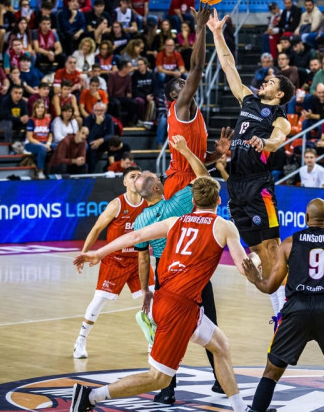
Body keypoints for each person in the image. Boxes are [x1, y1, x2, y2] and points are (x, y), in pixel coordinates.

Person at [71, 176, 252, 412]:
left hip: (169, 297)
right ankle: (90, 396)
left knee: (221, 346)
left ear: (193, 201)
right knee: (158, 378)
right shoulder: (223, 226)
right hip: (179, 308)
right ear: (218, 199)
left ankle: (241, 409)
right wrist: (258, 262)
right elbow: (244, 268)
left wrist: (99, 253)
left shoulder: (174, 221)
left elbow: (135, 237)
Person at [241, 198, 324, 412]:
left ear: (305, 218)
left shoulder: (290, 243)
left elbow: (270, 287)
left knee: (271, 372)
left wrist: (255, 278)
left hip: (296, 309)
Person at [208, 8, 295, 314]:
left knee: (271, 246)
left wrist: (265, 142)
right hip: (237, 186)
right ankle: (278, 305)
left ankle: (284, 311)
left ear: (280, 93)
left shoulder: (280, 117)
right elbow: (228, 64)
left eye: (270, 82)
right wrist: (217, 34)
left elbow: (278, 140)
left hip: (261, 186)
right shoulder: (248, 99)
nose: (264, 82)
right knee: (257, 248)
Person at [72, 166, 149, 358]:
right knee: (99, 301)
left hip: (139, 260)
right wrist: (83, 253)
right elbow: (97, 229)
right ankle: (80, 341)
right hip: (115, 260)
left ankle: (153, 341)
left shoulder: (148, 204)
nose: (136, 179)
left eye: (139, 176)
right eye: (132, 176)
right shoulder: (117, 204)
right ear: (124, 182)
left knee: (153, 299)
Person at [163, 4, 219, 198]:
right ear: (173, 96)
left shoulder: (187, 110)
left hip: (192, 176)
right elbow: (196, 67)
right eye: (180, 84)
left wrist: (217, 154)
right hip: (182, 181)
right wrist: (200, 28)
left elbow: (198, 159)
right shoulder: (180, 106)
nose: (185, 83)